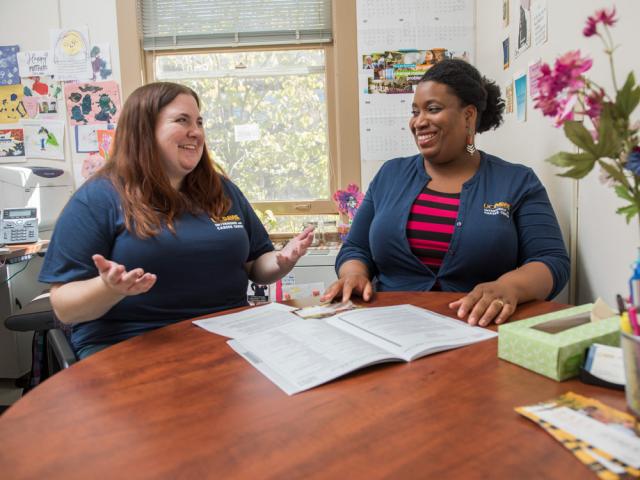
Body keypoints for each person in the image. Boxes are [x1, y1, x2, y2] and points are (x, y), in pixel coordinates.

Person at [40, 82, 314, 359]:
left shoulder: (222, 190)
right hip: (132, 343)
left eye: (199, 121)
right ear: (144, 130)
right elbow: (64, 306)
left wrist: (281, 260)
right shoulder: (98, 198)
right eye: (182, 120)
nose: (196, 132)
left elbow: (257, 264)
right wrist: (108, 289)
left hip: (229, 337)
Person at [323, 59, 569, 327]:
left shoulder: (516, 181)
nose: (419, 121)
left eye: (433, 109)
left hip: (479, 330)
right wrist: (354, 273)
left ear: (468, 116)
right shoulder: (390, 175)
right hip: (388, 329)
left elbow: (551, 260)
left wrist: (509, 286)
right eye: (415, 111)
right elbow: (357, 247)